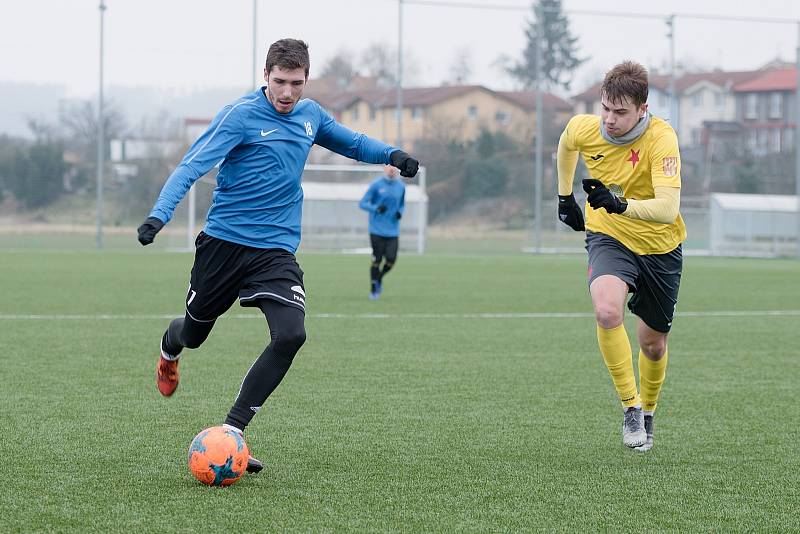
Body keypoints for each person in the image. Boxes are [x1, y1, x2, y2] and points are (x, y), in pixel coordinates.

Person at [136, 38, 419, 472]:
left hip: (275, 249)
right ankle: (170, 350)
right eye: (281, 82)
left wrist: (392, 155)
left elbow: (353, 143)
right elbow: (191, 166)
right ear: (265, 76)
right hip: (224, 245)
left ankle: (233, 433)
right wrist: (159, 216)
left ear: (306, 80)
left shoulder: (309, 115)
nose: (288, 93)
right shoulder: (240, 116)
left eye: (297, 83)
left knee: (291, 335)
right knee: (194, 333)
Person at [556, 60, 685, 452]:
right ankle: (630, 407)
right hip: (609, 237)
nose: (609, 120)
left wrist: (620, 204)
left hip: (661, 247)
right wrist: (565, 198)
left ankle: (648, 411)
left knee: (653, 344)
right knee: (607, 311)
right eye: (605, 109)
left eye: (621, 112)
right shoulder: (587, 127)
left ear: (643, 109)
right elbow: (566, 143)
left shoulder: (662, 140)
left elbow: (667, 207)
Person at [359, 164, 406, 299]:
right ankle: (374, 289)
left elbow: (402, 204)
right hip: (376, 230)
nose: (392, 169)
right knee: (377, 260)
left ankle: (378, 278)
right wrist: (376, 208)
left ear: (398, 169)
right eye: (389, 166)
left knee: (391, 260)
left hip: (392, 231)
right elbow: (362, 203)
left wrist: (400, 212)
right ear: (384, 168)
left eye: (394, 166)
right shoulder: (376, 185)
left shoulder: (401, 187)